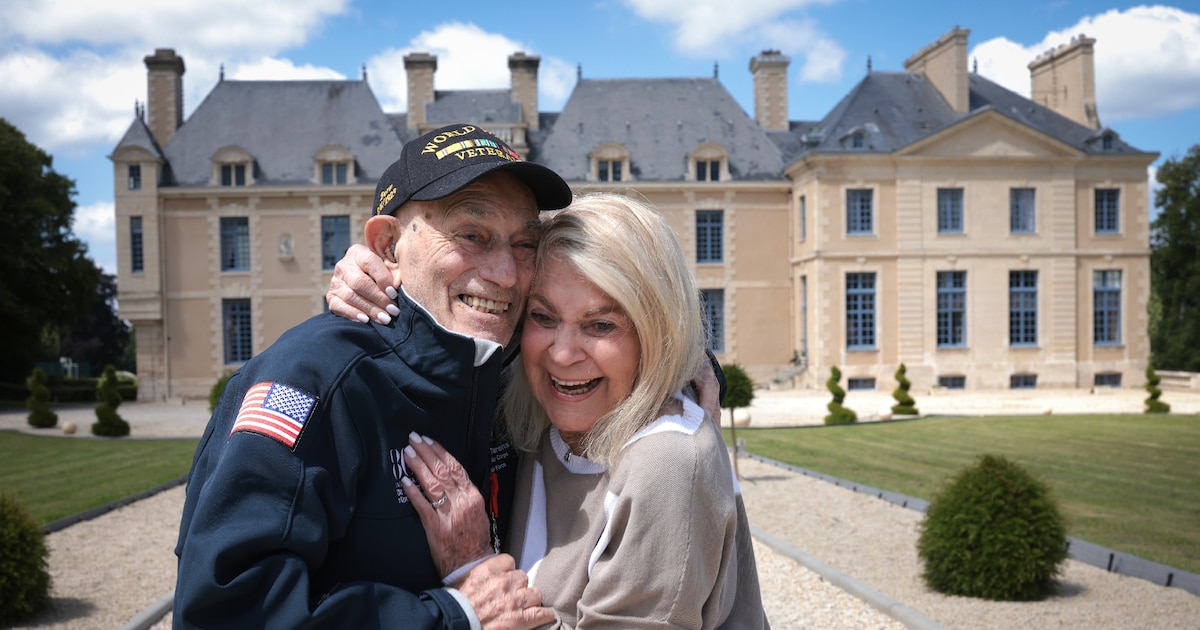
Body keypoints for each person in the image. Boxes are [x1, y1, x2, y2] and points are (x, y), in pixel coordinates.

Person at [173, 123, 574, 629]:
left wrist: (674, 352)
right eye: (472, 235)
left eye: (524, 245)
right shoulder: (314, 380)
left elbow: (617, 309)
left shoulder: (513, 373)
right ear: (386, 247)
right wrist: (456, 616)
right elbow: (226, 612)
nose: (507, 273)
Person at [396, 194, 770, 628]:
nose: (563, 354)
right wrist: (379, 275)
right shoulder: (536, 417)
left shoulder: (666, 463)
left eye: (600, 325)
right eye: (544, 317)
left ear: (657, 331)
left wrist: (475, 569)